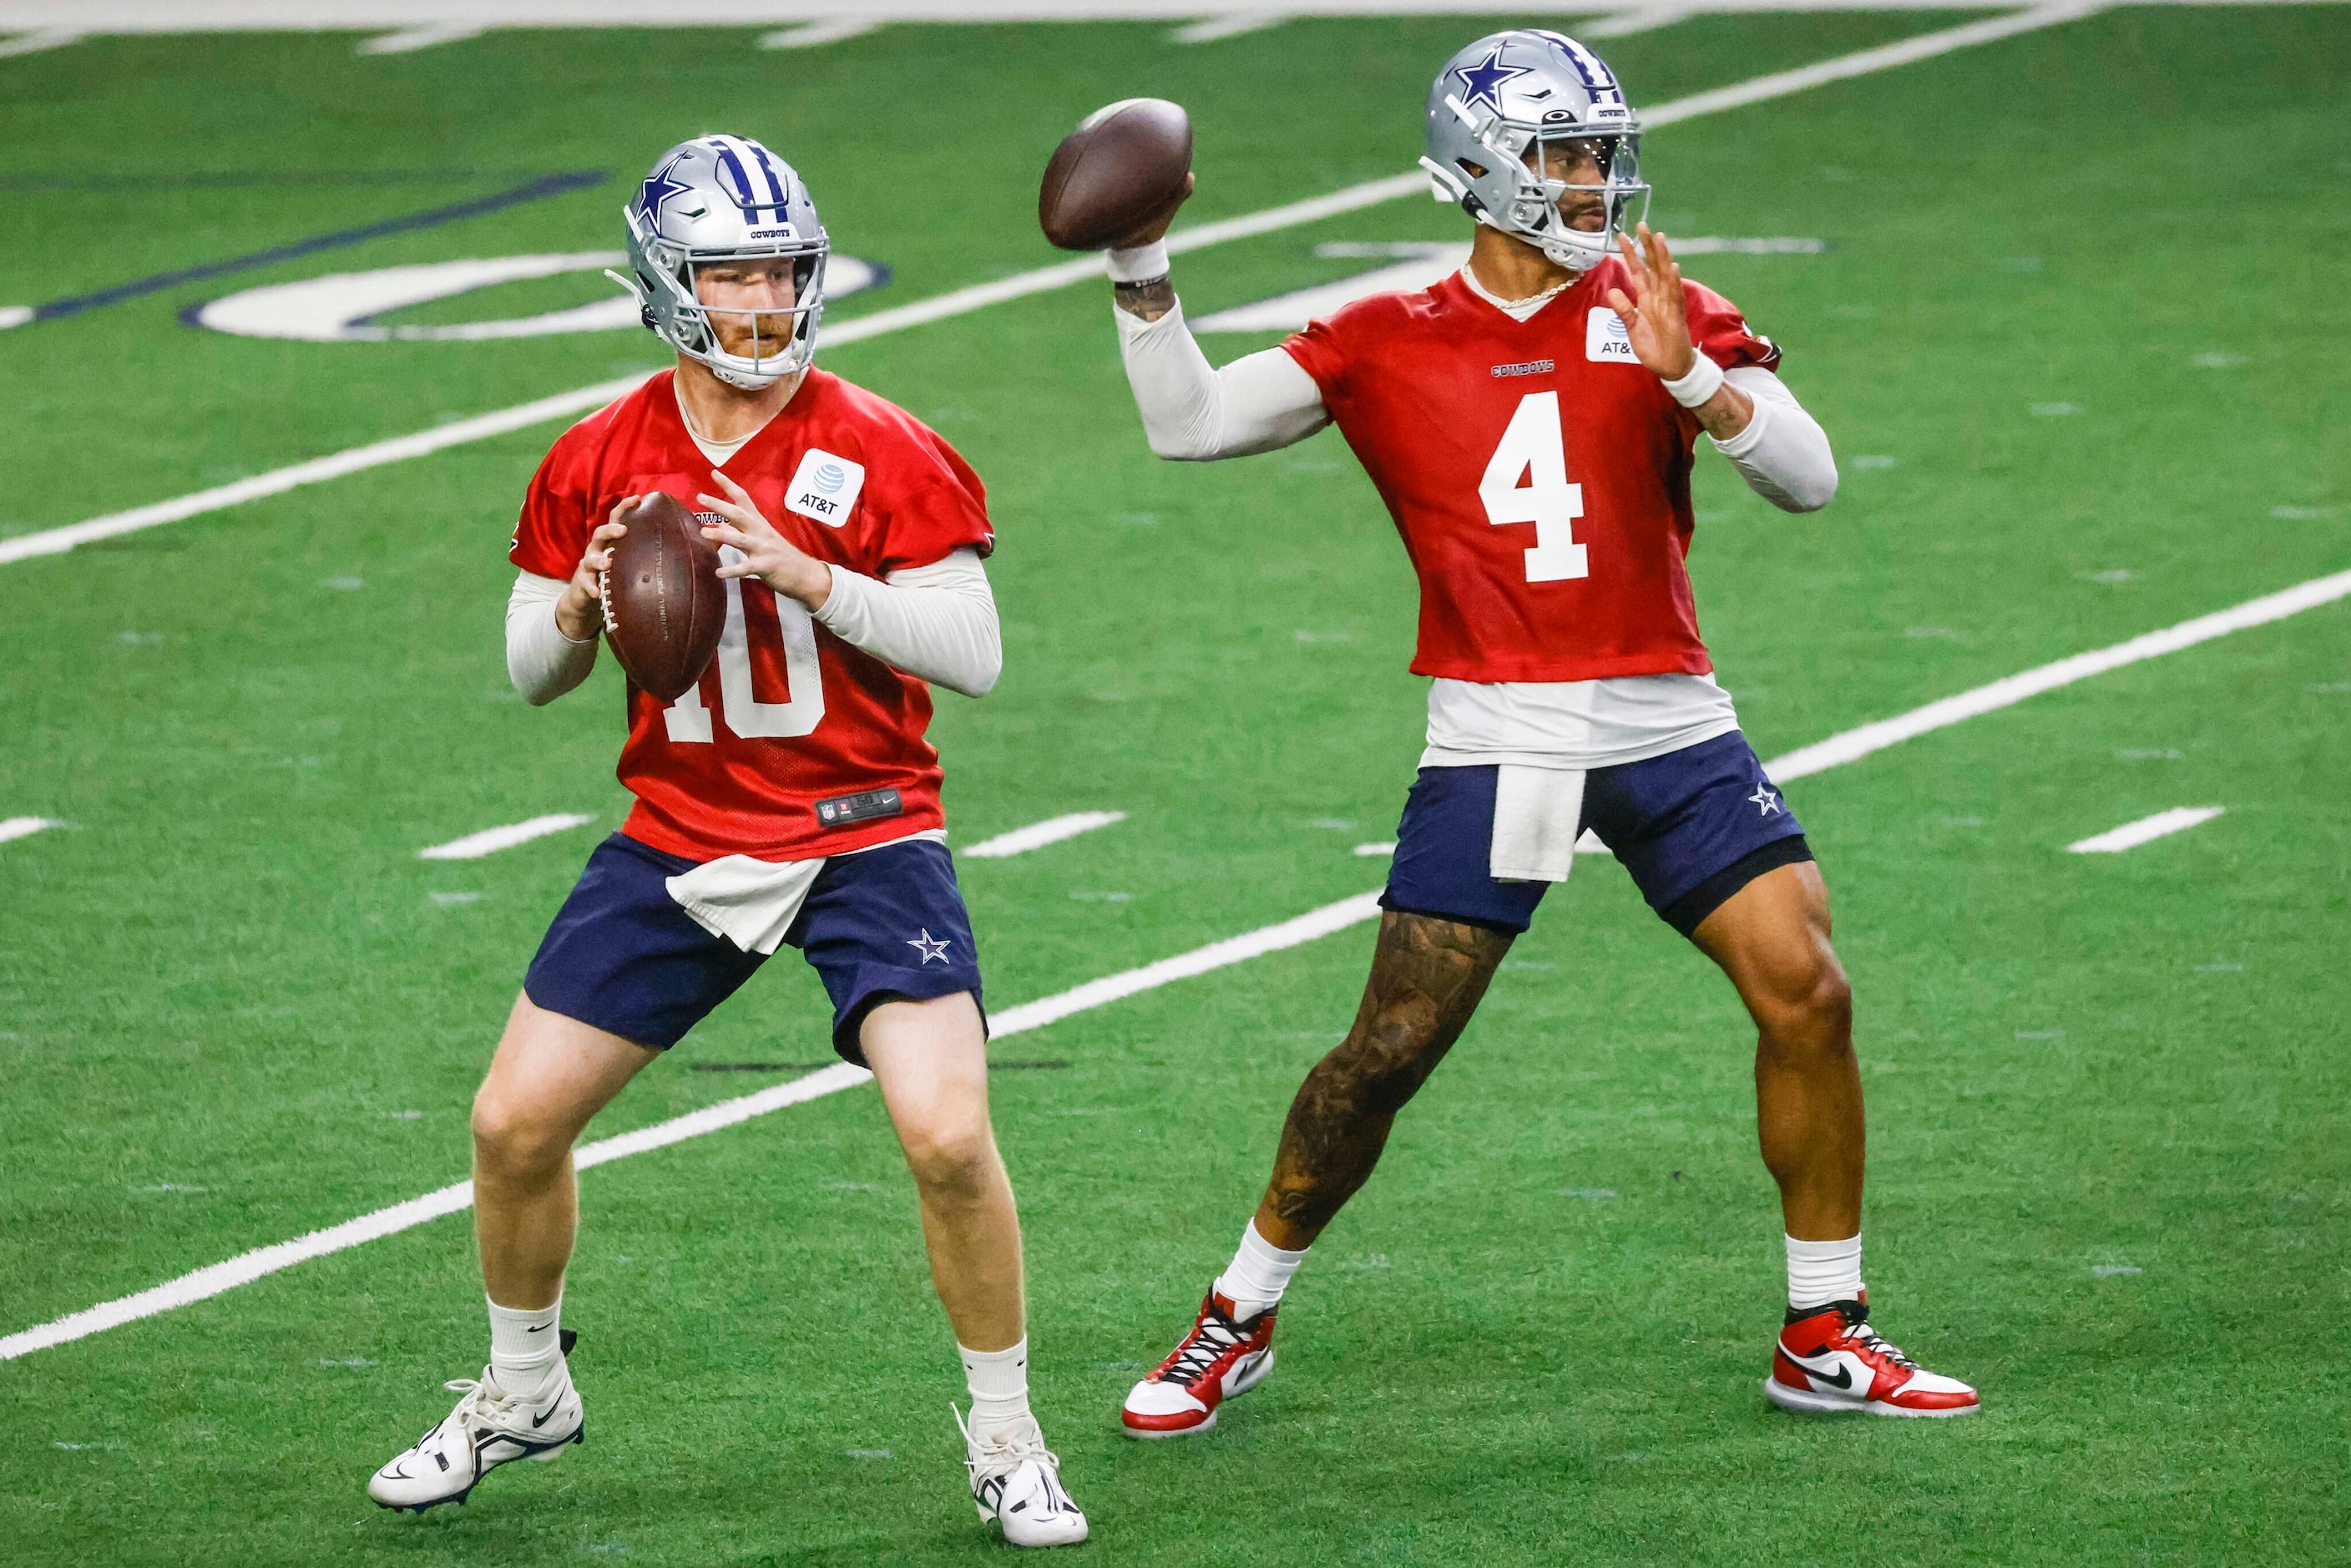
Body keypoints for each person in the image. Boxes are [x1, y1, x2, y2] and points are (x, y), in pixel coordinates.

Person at [1100, 32, 1978, 1435]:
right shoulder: (1386, 336)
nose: (1594, 179)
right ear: (1480, 166)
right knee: (1388, 1047)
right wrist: (1140, 274)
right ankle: (1237, 1309)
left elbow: (1809, 479)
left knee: (1808, 990)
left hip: (1671, 719)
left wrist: (1692, 373)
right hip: (1498, 727)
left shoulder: (1663, 306)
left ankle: (1826, 1324)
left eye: (1600, 152)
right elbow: (1190, 425)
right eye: (1565, 153)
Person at [365, 134, 1087, 1546]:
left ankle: (1006, 1431)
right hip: (682, 832)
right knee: (512, 1123)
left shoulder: (882, 442)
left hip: (868, 827)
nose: (762, 303)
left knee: (946, 1132)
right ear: (666, 284)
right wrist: (574, 612)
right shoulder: (598, 453)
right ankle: (525, 1392)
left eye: (782, 272)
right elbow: (527, 667)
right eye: (731, 273)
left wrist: (812, 575)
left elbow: (976, 651)